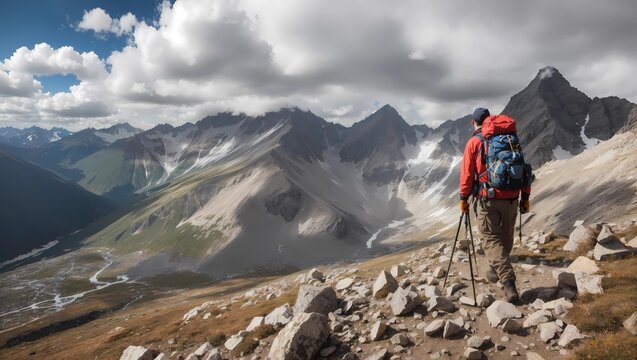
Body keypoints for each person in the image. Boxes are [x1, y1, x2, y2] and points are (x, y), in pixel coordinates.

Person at [459, 107, 531, 303]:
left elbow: (466, 175)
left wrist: (464, 198)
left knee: (490, 239)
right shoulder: (510, 140)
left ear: (474, 122)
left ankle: (508, 283)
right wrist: (525, 198)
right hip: (512, 198)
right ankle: (494, 270)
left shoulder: (474, 142)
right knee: (505, 239)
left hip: (487, 200)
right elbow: (524, 170)